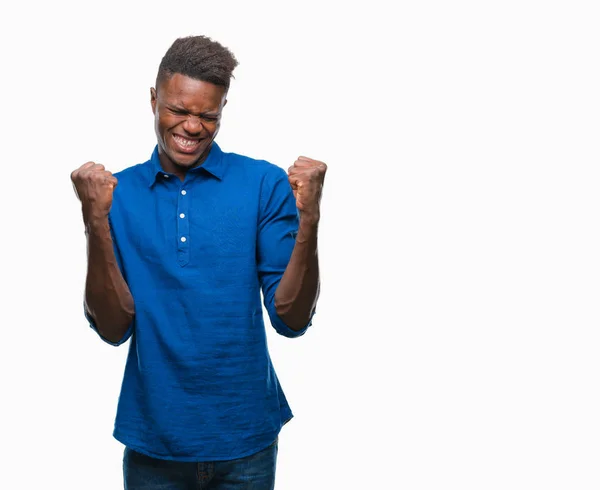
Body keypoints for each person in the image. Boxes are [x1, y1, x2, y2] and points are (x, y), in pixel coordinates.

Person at [70, 35, 326, 489]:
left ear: (224, 108)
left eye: (208, 115)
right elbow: (112, 329)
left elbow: (291, 319)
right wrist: (95, 222)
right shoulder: (118, 193)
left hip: (246, 441)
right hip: (153, 443)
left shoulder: (263, 183)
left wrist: (309, 220)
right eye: (178, 110)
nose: (192, 126)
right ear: (153, 99)